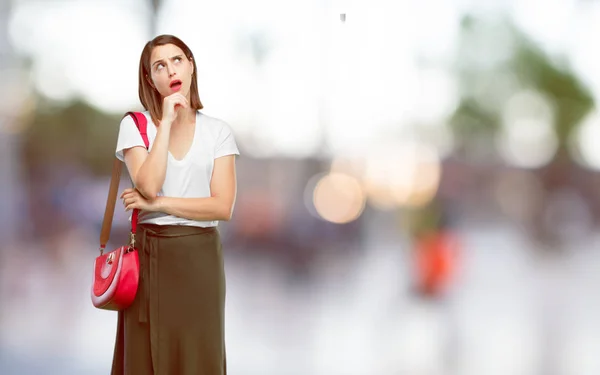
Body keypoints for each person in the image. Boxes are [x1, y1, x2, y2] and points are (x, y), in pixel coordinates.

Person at [111, 34, 239, 375]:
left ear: (192, 65)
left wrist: (160, 203)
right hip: (151, 259)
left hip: (201, 260)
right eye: (160, 65)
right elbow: (148, 184)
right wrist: (165, 122)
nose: (171, 70)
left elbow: (222, 207)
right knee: (147, 358)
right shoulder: (134, 126)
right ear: (150, 79)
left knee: (201, 357)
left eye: (178, 60)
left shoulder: (218, 132)